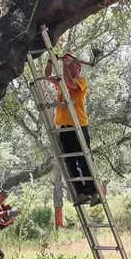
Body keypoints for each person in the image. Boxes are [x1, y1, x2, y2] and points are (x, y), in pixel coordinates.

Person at [45, 54, 100, 206]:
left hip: (78, 125)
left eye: (77, 64)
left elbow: (70, 83)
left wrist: (63, 64)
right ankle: (80, 193)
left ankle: (94, 192)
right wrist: (51, 61)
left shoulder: (81, 80)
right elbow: (47, 76)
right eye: (75, 64)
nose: (79, 67)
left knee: (83, 159)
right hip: (64, 127)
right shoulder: (62, 80)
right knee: (69, 160)